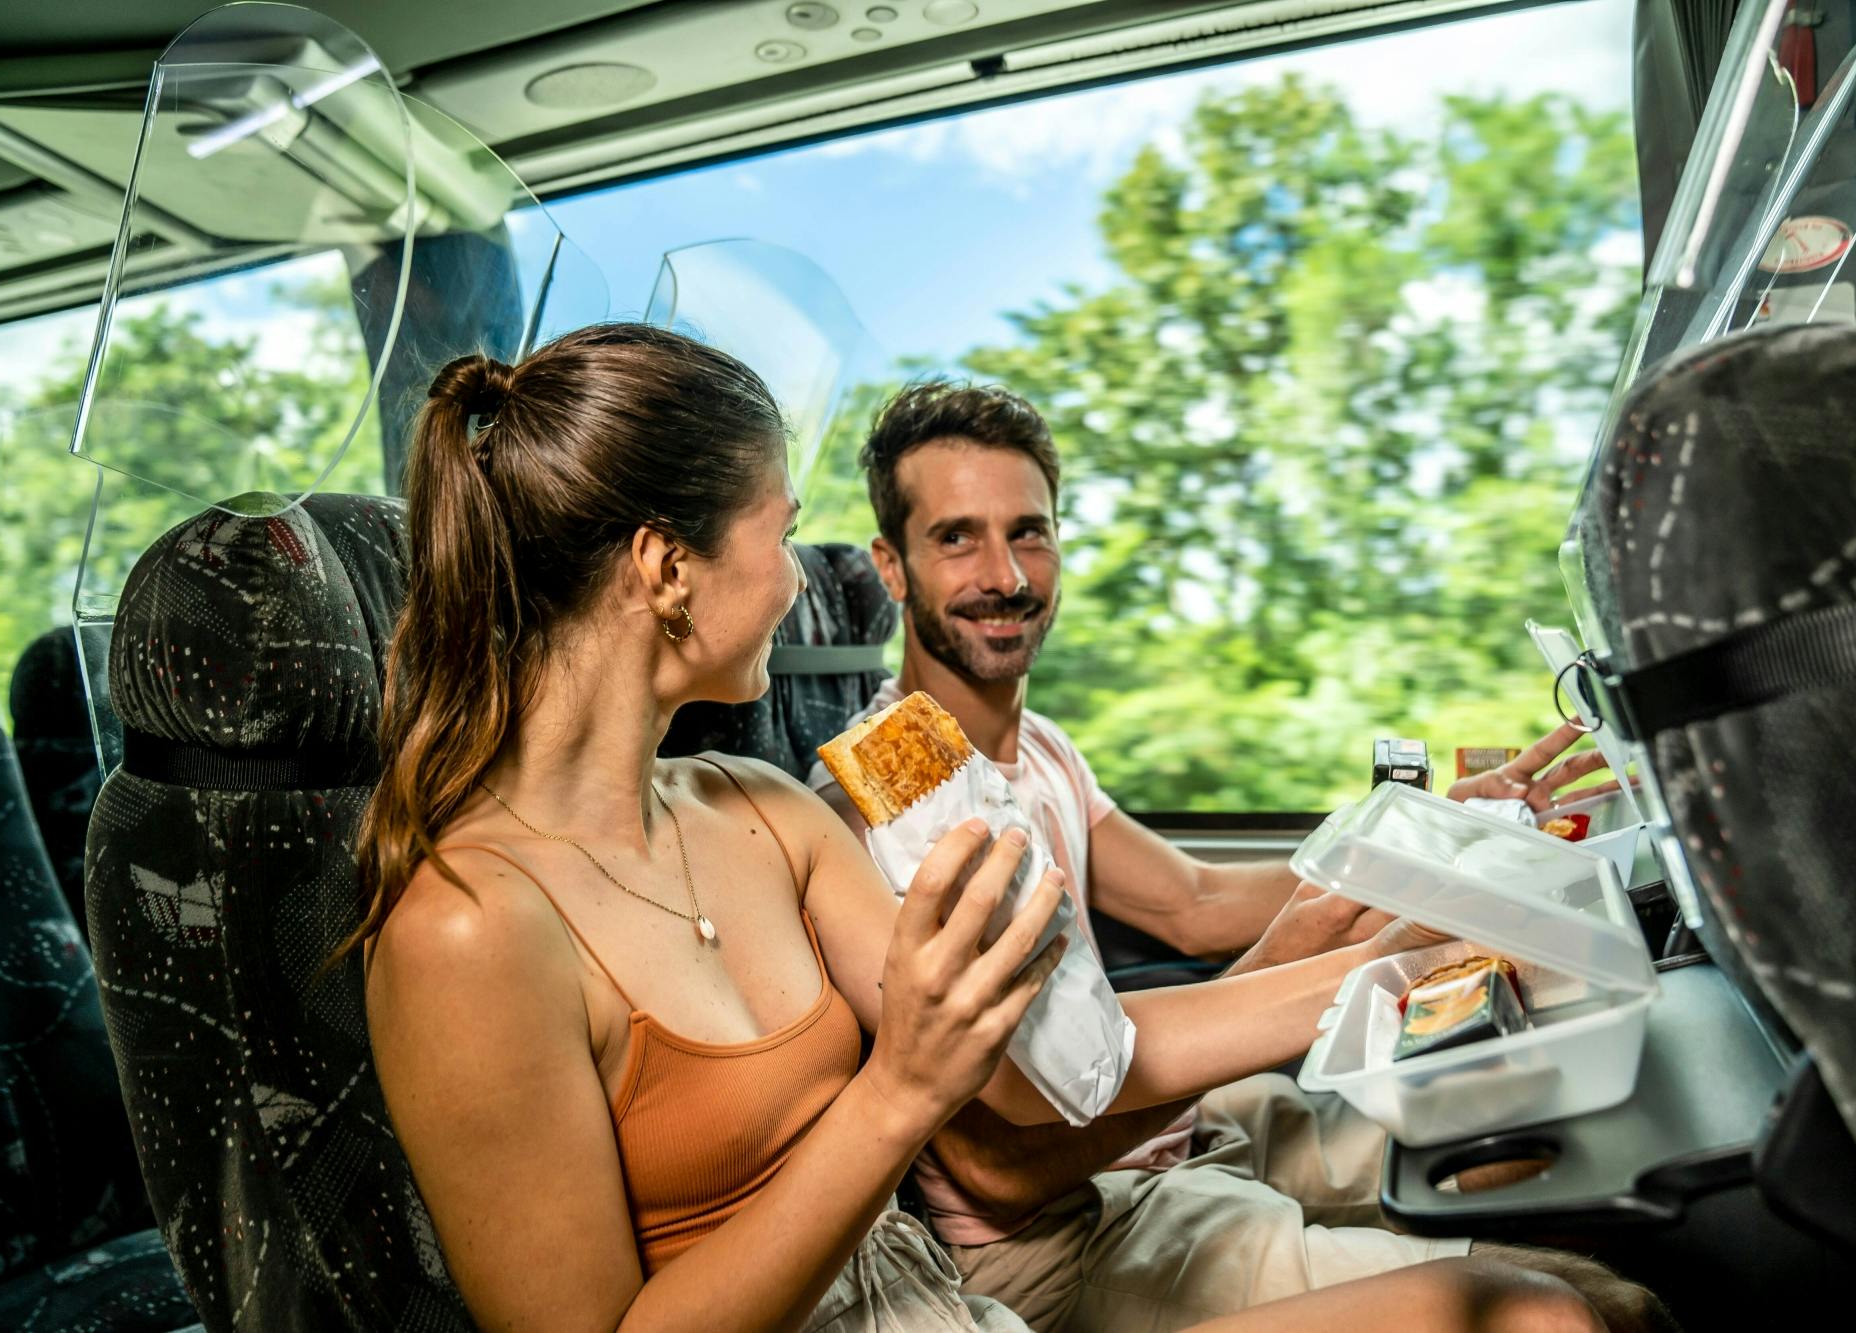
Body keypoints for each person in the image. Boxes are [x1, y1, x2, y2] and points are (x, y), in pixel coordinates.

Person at [346, 324, 1649, 1333]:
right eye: (778, 534)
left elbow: (1058, 1065)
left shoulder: (763, 813)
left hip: (951, 1311)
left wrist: (1406, 955)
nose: (802, 584)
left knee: (1542, 1309)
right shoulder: (464, 930)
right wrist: (898, 1091)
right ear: (665, 568)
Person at [809, 378, 1669, 1333]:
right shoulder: (878, 813)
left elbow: (1192, 902)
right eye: (956, 537)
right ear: (891, 567)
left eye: (1031, 531)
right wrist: (1307, 971)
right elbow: (995, 1171)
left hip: (1176, 1138)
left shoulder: (1042, 747)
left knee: (1540, 1154)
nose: (1005, 574)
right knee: (1594, 1311)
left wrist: (1421, 832)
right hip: (1061, 1229)